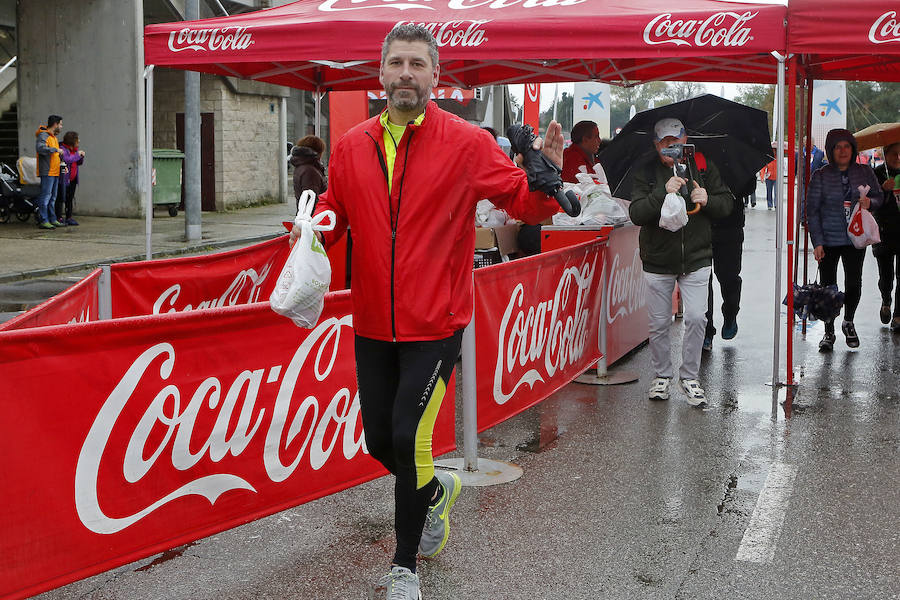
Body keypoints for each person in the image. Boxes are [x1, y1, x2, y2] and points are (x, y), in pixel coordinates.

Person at [291, 25, 563, 599]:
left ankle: (404, 566)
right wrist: (310, 230)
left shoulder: (464, 142)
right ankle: (436, 493)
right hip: (372, 320)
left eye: (418, 63)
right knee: (376, 440)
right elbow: (338, 214)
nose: (406, 73)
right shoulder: (353, 144)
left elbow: (520, 197)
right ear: (380, 73)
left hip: (436, 323)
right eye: (397, 63)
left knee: (411, 435)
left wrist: (547, 179)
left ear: (436, 76)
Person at [628, 118, 731, 407]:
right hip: (658, 259)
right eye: (664, 142)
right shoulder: (646, 171)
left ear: (686, 140)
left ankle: (690, 377)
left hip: (697, 256)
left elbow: (726, 204)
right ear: (655, 144)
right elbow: (637, 213)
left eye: (675, 140)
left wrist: (708, 198)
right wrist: (663, 191)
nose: (670, 147)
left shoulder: (702, 164)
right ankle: (662, 375)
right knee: (659, 323)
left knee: (698, 318)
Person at [807, 128, 882, 351]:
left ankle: (848, 321)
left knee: (853, 283)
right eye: (838, 147)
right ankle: (828, 332)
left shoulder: (865, 172)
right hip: (828, 240)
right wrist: (817, 242)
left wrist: (871, 203)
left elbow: (879, 197)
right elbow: (812, 211)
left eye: (847, 146)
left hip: (855, 239)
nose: (842, 151)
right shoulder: (820, 175)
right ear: (830, 150)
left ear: (853, 148)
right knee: (828, 287)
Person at [703, 177, 749, 351]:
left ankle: (730, 313)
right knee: (701, 281)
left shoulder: (735, 154)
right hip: (701, 225)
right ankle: (706, 330)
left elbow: (749, 185)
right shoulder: (695, 154)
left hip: (731, 226)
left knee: (729, 277)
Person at [872, 141, 900, 332]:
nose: (898, 158)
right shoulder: (877, 173)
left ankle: (898, 315)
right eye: (894, 154)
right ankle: (886, 301)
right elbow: (871, 202)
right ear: (885, 154)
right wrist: (883, 189)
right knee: (886, 275)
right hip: (883, 231)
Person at [34, 115, 64, 229]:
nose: (61, 126)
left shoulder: (54, 137)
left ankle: (52, 219)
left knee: (52, 198)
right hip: (47, 172)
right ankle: (43, 220)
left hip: (55, 171)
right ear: (55, 124)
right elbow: (40, 148)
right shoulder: (44, 135)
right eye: (60, 124)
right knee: (45, 197)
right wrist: (55, 150)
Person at [290, 134, 327, 208]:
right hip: (313, 216)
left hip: (305, 214)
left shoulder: (301, 165)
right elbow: (311, 200)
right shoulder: (310, 171)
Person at [57, 131, 85, 226]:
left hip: (73, 179)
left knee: (70, 199)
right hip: (63, 179)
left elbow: (78, 163)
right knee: (60, 198)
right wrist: (77, 155)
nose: (79, 141)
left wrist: (81, 157)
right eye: (77, 139)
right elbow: (67, 159)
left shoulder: (75, 150)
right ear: (72, 141)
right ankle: (59, 217)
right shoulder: (63, 149)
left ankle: (69, 217)